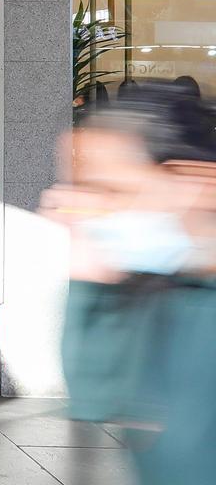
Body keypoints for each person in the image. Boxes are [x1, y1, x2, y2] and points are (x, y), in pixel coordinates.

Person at [43, 80, 216, 485]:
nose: (96, 210)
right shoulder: (158, 288)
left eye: (116, 190)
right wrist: (89, 276)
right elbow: (94, 394)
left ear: (193, 180)